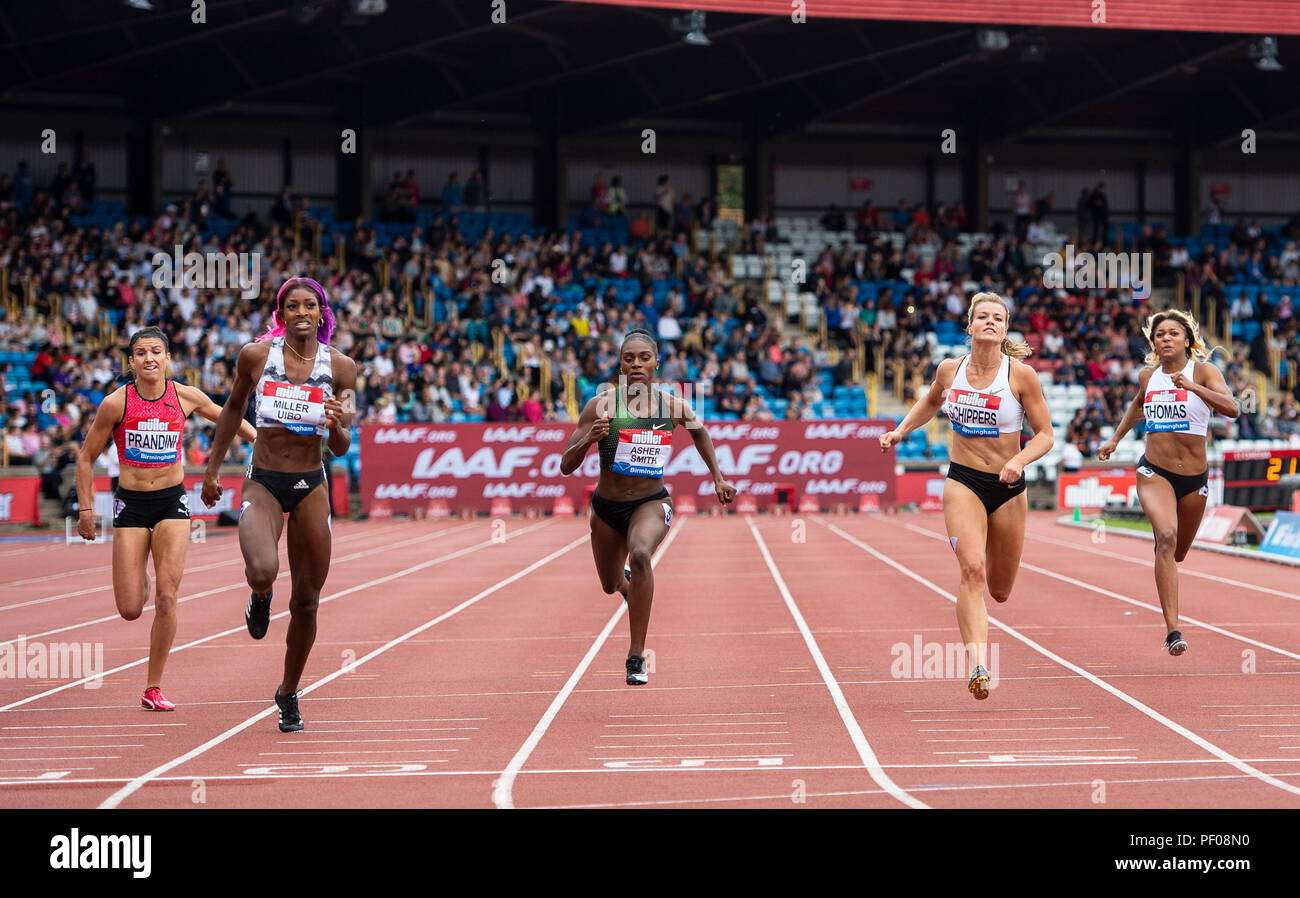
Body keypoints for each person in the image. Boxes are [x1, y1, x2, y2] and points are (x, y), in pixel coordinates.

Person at [880, 292, 1053, 700]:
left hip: (1008, 487)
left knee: (1000, 589)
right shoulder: (949, 369)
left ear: (1005, 329)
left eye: (998, 318)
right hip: (963, 482)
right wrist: (900, 431)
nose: (990, 322)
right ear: (970, 326)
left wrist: (1020, 460)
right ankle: (978, 664)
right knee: (971, 570)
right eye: (983, 317)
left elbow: (1046, 435)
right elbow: (929, 402)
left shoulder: (1020, 375)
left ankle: (982, 637)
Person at [201, 278, 357, 732]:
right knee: (262, 570)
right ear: (281, 314)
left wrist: (336, 424)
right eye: (293, 306)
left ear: (322, 312)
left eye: (310, 304)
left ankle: (288, 693)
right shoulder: (255, 356)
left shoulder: (342, 367)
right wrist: (212, 470)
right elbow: (232, 408)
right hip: (264, 480)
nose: (302, 311)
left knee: (307, 602)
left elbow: (344, 445)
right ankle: (260, 597)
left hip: (311, 483)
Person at [74, 327, 257, 711]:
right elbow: (86, 458)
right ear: (131, 362)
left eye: (156, 351)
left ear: (168, 358)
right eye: (140, 353)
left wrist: (263, 441)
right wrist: (87, 510)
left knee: (167, 597)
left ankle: (153, 687)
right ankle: (138, 570)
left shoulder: (185, 396)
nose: (148, 359)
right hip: (132, 505)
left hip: (172, 502)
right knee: (129, 608)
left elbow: (227, 419)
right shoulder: (115, 403)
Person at [560, 328, 736, 685]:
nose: (636, 364)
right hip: (606, 509)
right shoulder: (601, 406)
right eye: (629, 358)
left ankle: (636, 656)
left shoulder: (672, 406)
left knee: (640, 554)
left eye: (644, 358)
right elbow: (566, 465)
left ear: (656, 362)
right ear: (620, 364)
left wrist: (717, 477)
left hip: (651, 503)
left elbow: (700, 431)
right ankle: (627, 587)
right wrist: (589, 439)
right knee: (609, 585)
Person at [1098, 309, 1238, 655]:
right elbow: (1136, 407)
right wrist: (1115, 439)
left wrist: (1193, 387)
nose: (1165, 339)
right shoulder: (1149, 376)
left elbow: (1232, 408)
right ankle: (1173, 630)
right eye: (1160, 334)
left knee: (1179, 552)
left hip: (1194, 478)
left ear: (1187, 341)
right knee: (1166, 538)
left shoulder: (1204, 371)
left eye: (1173, 333)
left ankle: (1167, 558)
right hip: (1154, 471)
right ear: (1153, 343)